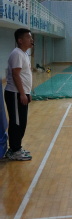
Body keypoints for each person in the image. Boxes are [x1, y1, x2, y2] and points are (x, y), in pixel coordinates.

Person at [4, 28, 34, 161]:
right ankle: (14, 150)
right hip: (15, 94)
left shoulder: (24, 54)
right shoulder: (17, 53)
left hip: (21, 93)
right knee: (17, 123)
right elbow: (16, 75)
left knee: (22, 122)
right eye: (28, 37)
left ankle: (16, 148)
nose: (31, 39)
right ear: (20, 40)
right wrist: (22, 94)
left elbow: (24, 75)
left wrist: (27, 93)